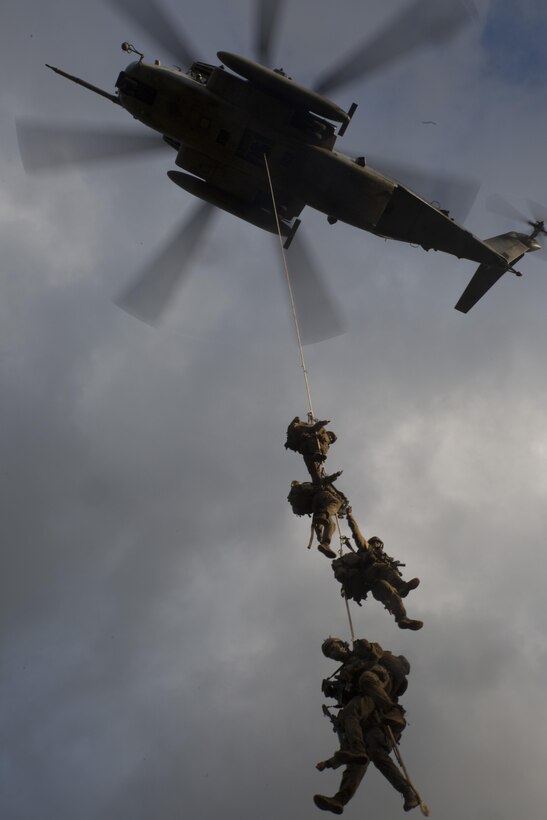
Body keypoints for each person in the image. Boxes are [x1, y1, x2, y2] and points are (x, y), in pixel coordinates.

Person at [314, 637, 419, 814]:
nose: (334, 653)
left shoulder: (359, 650)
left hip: (378, 685)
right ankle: (342, 799)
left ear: (342, 644)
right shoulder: (342, 675)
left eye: (333, 648)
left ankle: (392, 712)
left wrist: (366, 647)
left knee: (364, 684)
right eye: (330, 653)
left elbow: (377, 654)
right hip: (369, 715)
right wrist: (329, 763)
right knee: (371, 755)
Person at [331, 509, 423, 630]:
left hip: (375, 586)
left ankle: (402, 618)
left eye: (379, 544)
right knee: (382, 567)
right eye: (375, 543)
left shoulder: (386, 559)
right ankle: (402, 586)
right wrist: (349, 516)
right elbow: (356, 534)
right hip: (367, 575)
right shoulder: (366, 549)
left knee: (391, 591)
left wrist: (389, 605)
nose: (377, 545)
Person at [287, 475, 347, 559]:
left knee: (330, 523)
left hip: (315, 508)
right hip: (319, 498)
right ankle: (323, 521)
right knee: (335, 502)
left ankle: (324, 543)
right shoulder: (305, 486)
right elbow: (319, 487)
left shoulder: (296, 497)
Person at [285, 416, 338, 482]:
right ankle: (316, 454)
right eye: (331, 435)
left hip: (312, 453)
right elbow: (312, 429)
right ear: (328, 432)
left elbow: (324, 451)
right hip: (309, 446)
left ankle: (318, 481)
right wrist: (321, 424)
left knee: (313, 467)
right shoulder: (322, 430)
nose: (330, 438)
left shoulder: (327, 445)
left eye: (332, 439)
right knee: (313, 440)